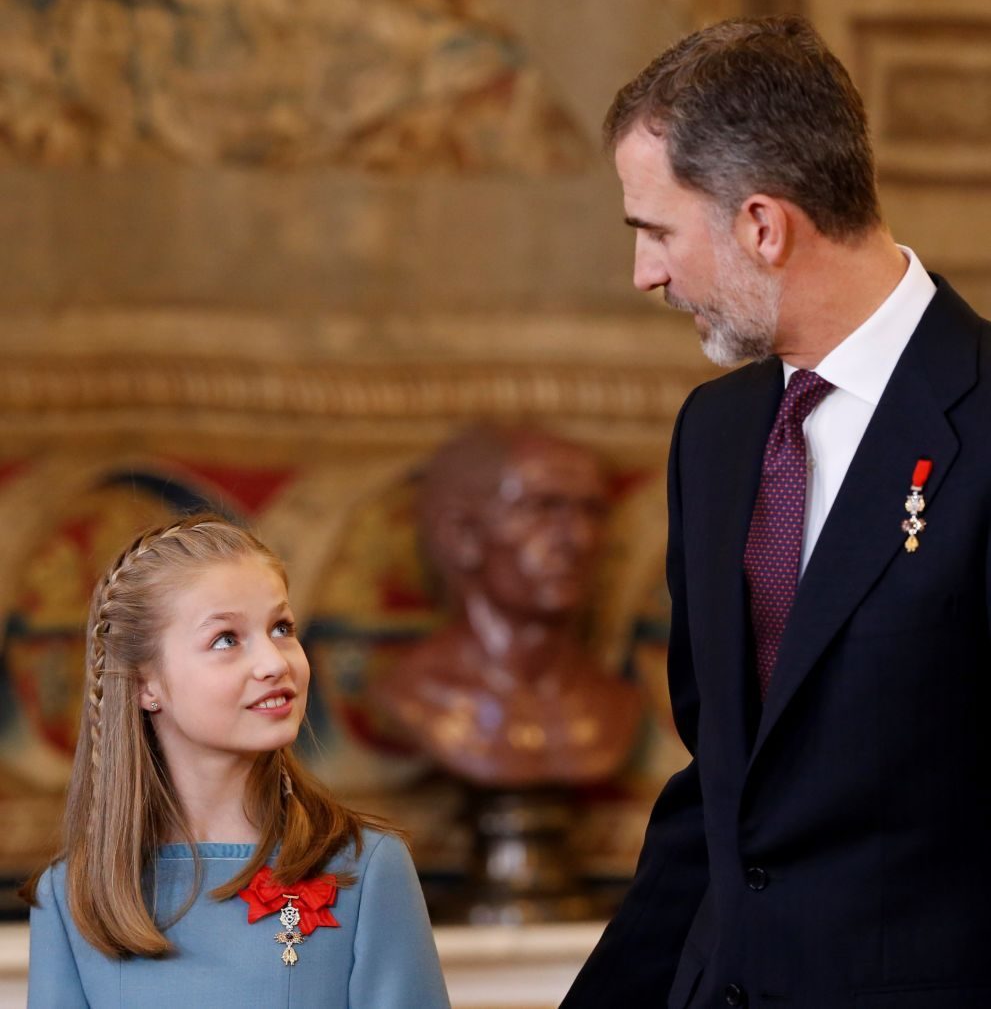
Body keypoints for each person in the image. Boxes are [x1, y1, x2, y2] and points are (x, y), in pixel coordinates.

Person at [563, 14, 991, 1009]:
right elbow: (721, 796)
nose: (646, 275)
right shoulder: (712, 436)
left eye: (656, 231)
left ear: (761, 225)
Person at [24, 514, 450, 1008]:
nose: (274, 662)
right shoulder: (72, 895)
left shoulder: (367, 870)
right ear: (146, 684)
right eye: (227, 639)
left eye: (281, 628)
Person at [372, 425, 641, 787]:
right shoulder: (417, 697)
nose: (578, 538)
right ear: (462, 535)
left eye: (593, 511)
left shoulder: (616, 705)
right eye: (542, 508)